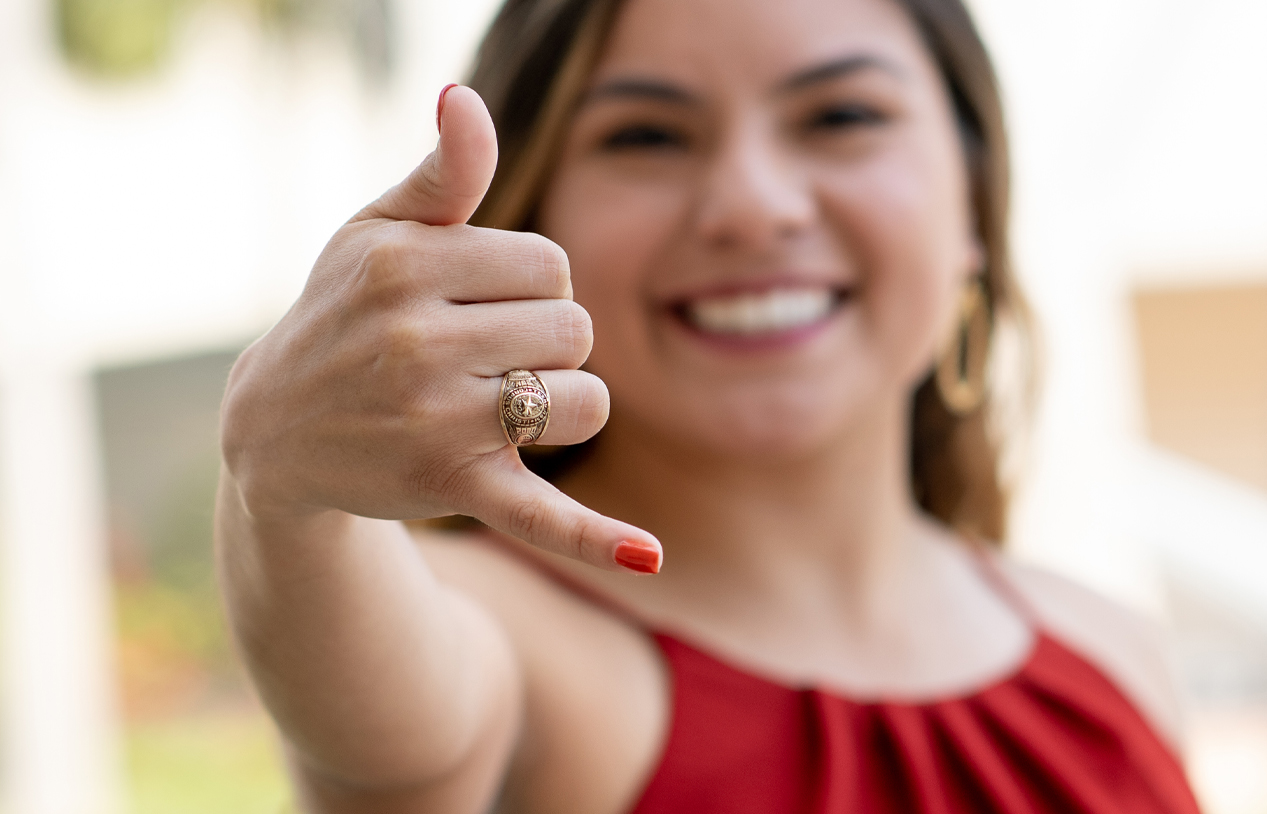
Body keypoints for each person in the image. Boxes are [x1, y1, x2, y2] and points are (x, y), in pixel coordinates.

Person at [214, 0, 1202, 810]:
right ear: (527, 217)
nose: (751, 203)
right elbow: (373, 724)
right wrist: (280, 489)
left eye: (840, 117)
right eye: (645, 134)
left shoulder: (1118, 655)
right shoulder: (503, 644)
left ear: (972, 201)